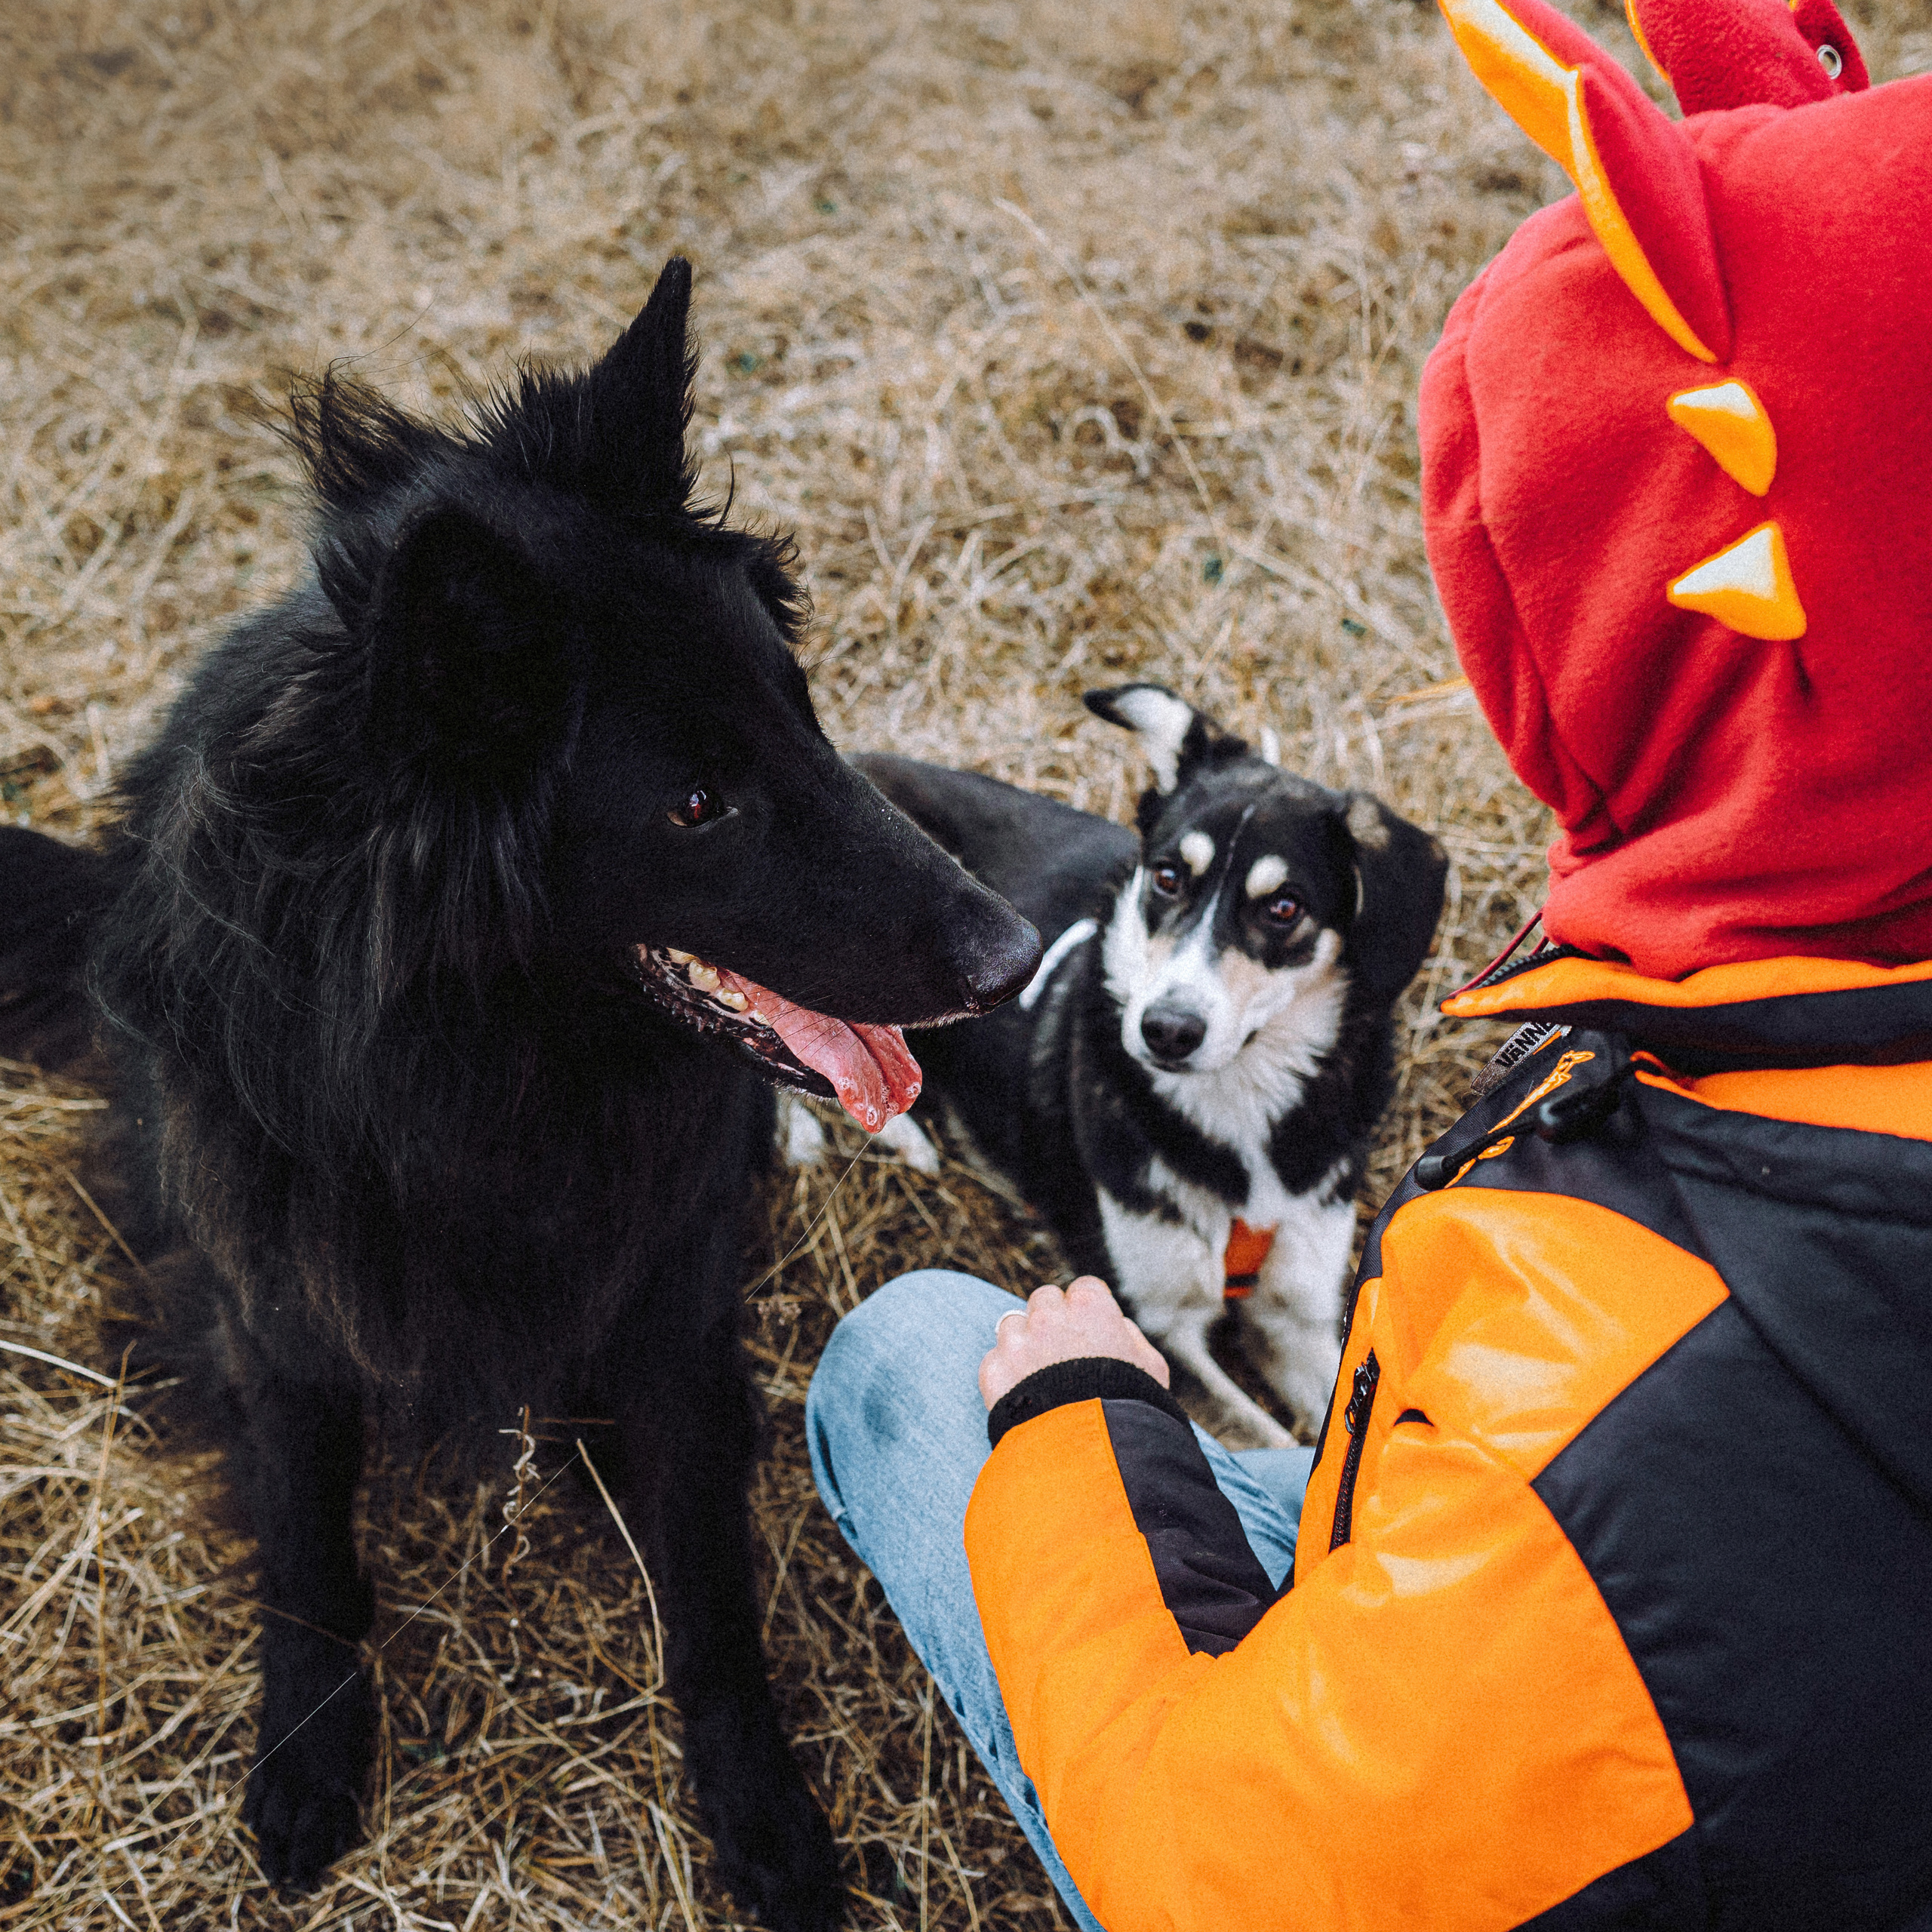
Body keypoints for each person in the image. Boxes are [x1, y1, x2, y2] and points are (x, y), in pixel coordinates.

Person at [807, 0, 1932, 1924]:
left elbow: (1215, 1877)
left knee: (909, 1351)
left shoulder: (1604, 1415)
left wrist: (1079, 1425)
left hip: (1513, 1721)